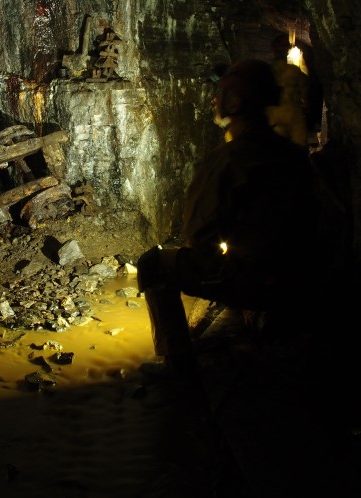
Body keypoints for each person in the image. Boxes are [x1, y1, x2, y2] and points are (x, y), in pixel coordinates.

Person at [137, 59, 320, 370]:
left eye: (220, 94)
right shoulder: (292, 154)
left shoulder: (228, 160)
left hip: (256, 281)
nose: (213, 100)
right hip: (300, 278)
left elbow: (198, 236)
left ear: (234, 102)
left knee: (153, 264)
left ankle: (176, 363)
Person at [266, 34, 309, 147]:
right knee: (298, 147)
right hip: (292, 114)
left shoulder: (267, 71)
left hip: (275, 116)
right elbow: (305, 91)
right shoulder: (294, 70)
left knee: (278, 148)